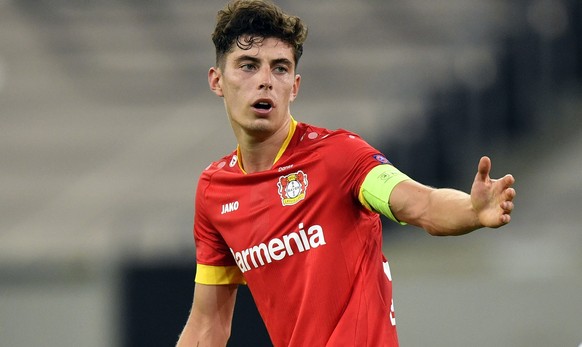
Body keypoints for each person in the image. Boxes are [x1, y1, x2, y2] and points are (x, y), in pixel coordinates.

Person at [176, 0, 516, 346]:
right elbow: (208, 325)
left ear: (294, 86)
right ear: (217, 81)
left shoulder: (339, 156)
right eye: (248, 66)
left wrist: (471, 211)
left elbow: (421, 204)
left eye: (279, 68)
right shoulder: (215, 190)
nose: (265, 81)